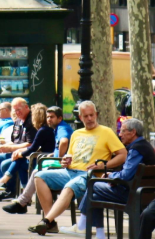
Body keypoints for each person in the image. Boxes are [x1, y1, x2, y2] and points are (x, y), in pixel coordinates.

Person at [26, 101, 126, 235]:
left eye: (92, 115)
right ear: (80, 117)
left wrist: (104, 165)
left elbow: (123, 154)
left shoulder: (106, 132)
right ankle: (51, 222)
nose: (89, 119)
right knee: (39, 176)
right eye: (86, 116)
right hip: (70, 171)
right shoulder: (76, 133)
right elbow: (70, 154)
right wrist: (66, 160)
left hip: (90, 174)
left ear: (96, 115)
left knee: (70, 186)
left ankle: (46, 221)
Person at [0, 104, 52, 198]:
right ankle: (22, 194)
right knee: (18, 160)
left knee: (19, 160)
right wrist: (20, 152)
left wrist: (20, 153)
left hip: (42, 160)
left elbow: (33, 147)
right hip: (39, 157)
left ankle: (6, 183)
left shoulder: (43, 130)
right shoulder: (43, 129)